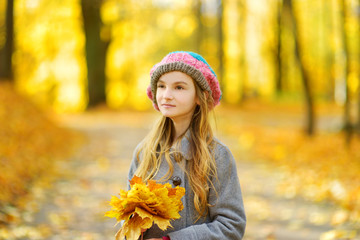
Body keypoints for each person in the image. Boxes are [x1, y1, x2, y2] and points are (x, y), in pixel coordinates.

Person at [127, 51, 246, 240]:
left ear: (200, 97)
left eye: (179, 87)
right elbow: (127, 217)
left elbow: (231, 225)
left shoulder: (217, 156)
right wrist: (134, 227)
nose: (166, 95)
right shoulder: (144, 153)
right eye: (161, 86)